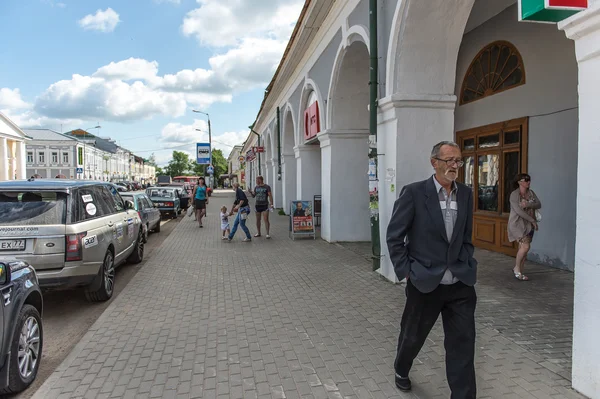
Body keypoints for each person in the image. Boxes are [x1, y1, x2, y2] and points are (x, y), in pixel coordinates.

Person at [386, 141, 478, 398]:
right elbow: (395, 236)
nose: (454, 166)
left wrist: (468, 261)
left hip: (460, 283)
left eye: (458, 161)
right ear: (434, 162)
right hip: (425, 283)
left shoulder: (466, 194)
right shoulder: (414, 193)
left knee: (463, 345)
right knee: (412, 336)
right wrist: (407, 271)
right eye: (449, 160)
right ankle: (401, 368)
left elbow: (467, 237)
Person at [507, 173, 541, 281]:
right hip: (517, 224)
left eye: (529, 180)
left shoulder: (531, 193)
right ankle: (517, 268)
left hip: (529, 225)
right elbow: (518, 211)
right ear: (519, 182)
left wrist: (528, 204)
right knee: (525, 247)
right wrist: (532, 220)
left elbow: (538, 204)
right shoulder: (514, 195)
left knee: (523, 249)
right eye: (526, 180)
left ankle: (520, 270)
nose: (528, 182)